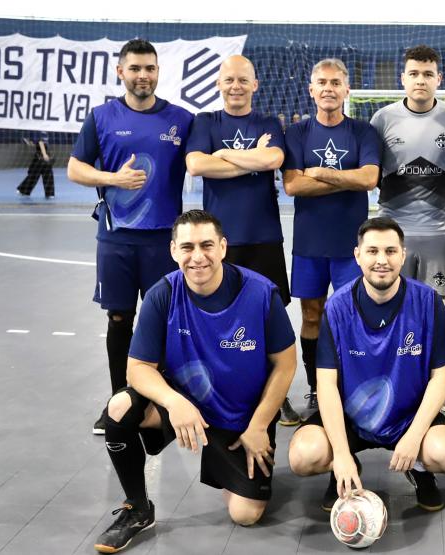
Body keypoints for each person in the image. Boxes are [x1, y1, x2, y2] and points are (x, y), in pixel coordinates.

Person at [93, 210, 297, 553]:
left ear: (223, 247)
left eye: (206, 245)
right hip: (186, 404)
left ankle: (223, 461)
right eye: (187, 247)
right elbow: (138, 369)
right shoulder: (163, 294)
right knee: (120, 407)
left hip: (241, 415)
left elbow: (286, 364)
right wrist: (175, 402)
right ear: (173, 250)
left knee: (245, 515)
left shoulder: (260, 294)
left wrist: (260, 424)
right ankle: (137, 508)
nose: (197, 256)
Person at [288, 217, 445, 512]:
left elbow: (441, 377)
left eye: (391, 251)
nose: (382, 260)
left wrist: (414, 436)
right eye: (372, 251)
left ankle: (420, 469)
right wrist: (341, 454)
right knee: (303, 456)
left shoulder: (427, 301)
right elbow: (326, 384)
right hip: (351, 419)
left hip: (407, 415)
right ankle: (343, 470)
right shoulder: (337, 306)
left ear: (403, 255)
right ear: (357, 256)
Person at [67, 39, 194, 434]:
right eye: (135, 68)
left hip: (163, 240)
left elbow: (203, 159)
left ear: (158, 72)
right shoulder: (101, 117)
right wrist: (112, 178)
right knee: (120, 318)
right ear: (120, 71)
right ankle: (118, 402)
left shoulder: (181, 120)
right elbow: (75, 168)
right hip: (117, 238)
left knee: (165, 320)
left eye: (150, 68)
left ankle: (161, 404)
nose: (143, 76)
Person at [184, 55, 299, 426]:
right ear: (219, 83)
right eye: (229, 79)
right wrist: (251, 158)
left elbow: (274, 160)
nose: (235, 86)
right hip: (221, 243)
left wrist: (224, 154)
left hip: (264, 237)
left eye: (242, 80)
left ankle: (275, 396)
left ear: (255, 84)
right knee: (224, 319)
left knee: (269, 318)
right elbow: (197, 166)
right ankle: (229, 392)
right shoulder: (205, 121)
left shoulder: (268, 122)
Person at [369, 44, 445, 415]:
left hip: (439, 233)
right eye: (414, 73)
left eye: (428, 74)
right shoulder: (382, 119)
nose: (420, 80)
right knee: (388, 304)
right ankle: (391, 378)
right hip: (391, 235)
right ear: (403, 78)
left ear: (438, 79)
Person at [283, 58, 381, 415]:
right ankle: (314, 387)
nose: (328, 88)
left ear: (346, 89)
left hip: (350, 247)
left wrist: (321, 173)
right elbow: (293, 185)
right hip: (309, 245)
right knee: (311, 316)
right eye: (322, 82)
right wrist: (345, 179)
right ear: (311, 90)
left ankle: (350, 387)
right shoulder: (297, 133)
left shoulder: (363, 132)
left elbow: (369, 179)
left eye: (335, 82)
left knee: (350, 316)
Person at [16, 131, 55, 198]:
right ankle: (23, 190)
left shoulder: (46, 131)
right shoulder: (39, 131)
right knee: (35, 174)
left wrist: (45, 154)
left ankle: (49, 194)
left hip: (44, 153)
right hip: (40, 155)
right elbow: (40, 142)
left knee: (45, 174)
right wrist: (44, 154)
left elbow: (38, 143)